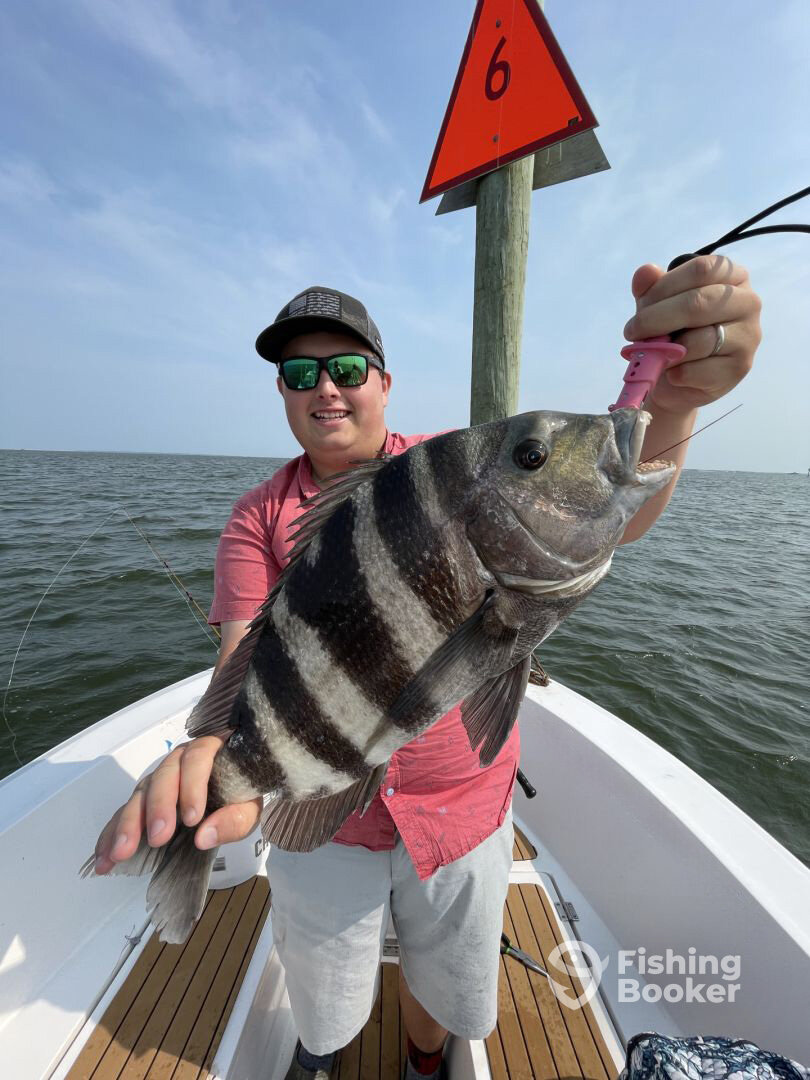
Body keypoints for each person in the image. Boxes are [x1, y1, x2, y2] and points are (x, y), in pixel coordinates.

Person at [92, 260, 762, 1079]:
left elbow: (612, 514)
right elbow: (243, 658)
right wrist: (216, 763)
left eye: (347, 368)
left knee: (445, 985)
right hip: (326, 825)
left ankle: (422, 1058)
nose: (325, 388)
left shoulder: (451, 469)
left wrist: (676, 403)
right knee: (326, 990)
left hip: (460, 811)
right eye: (300, 374)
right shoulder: (257, 518)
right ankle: (323, 1053)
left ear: (383, 382)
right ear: (283, 393)